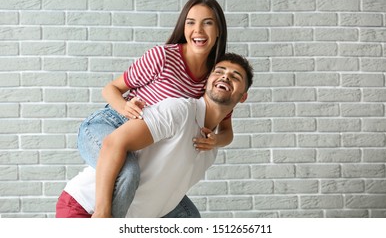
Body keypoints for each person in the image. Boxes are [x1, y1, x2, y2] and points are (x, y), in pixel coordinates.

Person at [74, 0, 232, 218]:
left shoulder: (215, 78)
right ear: (183, 27)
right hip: (109, 126)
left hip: (144, 150)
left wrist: (216, 140)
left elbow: (226, 130)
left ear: (218, 30)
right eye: (191, 22)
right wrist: (123, 106)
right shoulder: (162, 57)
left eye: (207, 22)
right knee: (128, 174)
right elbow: (111, 88)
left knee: (189, 216)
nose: (198, 30)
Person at [55, 53, 253, 218]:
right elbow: (113, 142)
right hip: (85, 208)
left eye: (235, 76)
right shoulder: (179, 111)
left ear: (243, 96)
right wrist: (102, 215)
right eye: (219, 72)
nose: (225, 77)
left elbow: (162, 197)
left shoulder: (210, 151)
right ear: (207, 81)